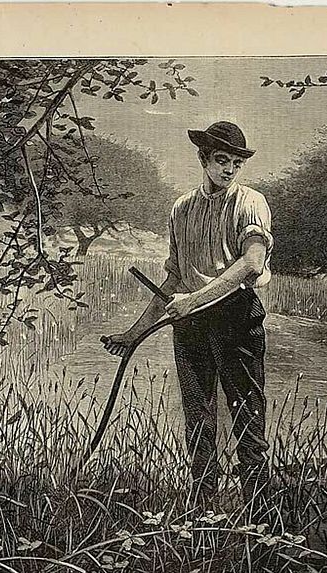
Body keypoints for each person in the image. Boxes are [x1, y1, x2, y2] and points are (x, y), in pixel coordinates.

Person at [102, 121, 273, 510]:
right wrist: (133, 334)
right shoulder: (182, 208)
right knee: (199, 420)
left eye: (235, 162)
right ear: (203, 159)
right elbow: (174, 277)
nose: (229, 169)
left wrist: (194, 299)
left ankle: (262, 513)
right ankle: (202, 510)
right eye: (221, 160)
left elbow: (251, 262)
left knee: (247, 415)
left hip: (236, 315)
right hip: (190, 324)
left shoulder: (250, 203)